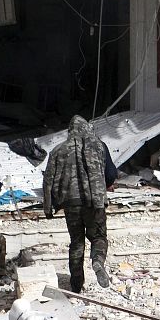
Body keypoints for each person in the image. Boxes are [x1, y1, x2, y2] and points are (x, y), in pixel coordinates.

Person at [43, 115, 117, 293]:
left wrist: (48, 207)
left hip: (71, 203)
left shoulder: (58, 150)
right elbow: (111, 174)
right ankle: (97, 261)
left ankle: (76, 285)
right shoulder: (99, 146)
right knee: (98, 237)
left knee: (76, 242)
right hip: (95, 202)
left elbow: (48, 181)